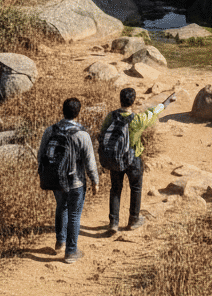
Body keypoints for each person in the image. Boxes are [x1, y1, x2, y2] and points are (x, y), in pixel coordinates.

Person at [99, 87, 176, 233]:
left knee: (115, 189)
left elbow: (102, 133)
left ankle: (113, 222)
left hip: (115, 158)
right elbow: (153, 112)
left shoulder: (111, 116)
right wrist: (165, 104)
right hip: (133, 158)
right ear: (133, 101)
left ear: (120, 99)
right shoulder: (138, 120)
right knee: (136, 188)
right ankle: (133, 220)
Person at [38, 97, 99, 263]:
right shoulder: (82, 134)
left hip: (56, 180)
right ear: (78, 113)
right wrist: (95, 181)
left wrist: (44, 174)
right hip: (76, 182)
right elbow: (90, 162)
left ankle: (60, 242)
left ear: (62, 111)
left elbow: (41, 155)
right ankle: (71, 252)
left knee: (61, 207)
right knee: (74, 214)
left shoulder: (50, 130)